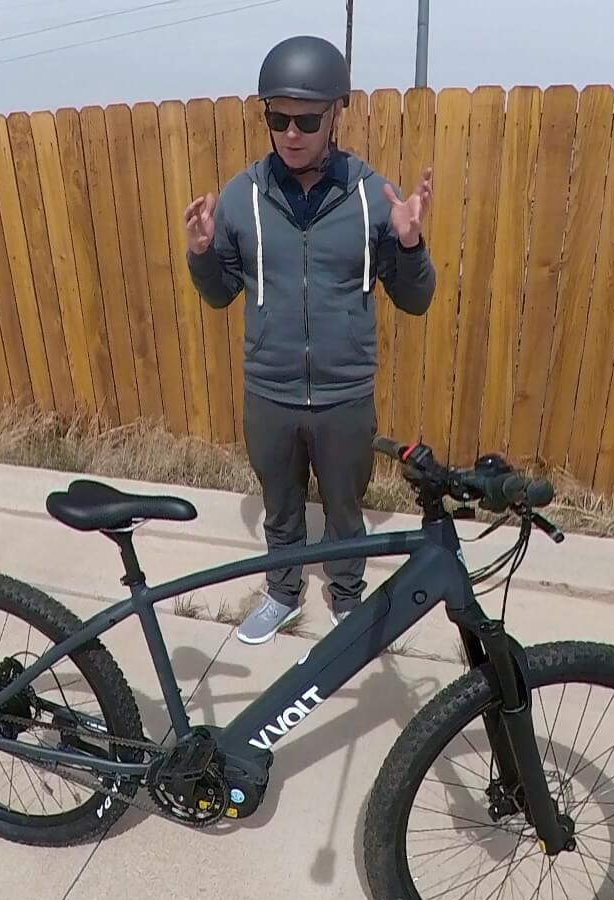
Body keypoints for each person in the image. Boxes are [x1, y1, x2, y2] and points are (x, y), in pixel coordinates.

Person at [184, 35, 435, 645]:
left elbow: (416, 299)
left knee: (345, 508)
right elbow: (220, 294)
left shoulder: (371, 196)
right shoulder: (242, 196)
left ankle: (347, 598)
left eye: (307, 120)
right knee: (281, 506)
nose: (292, 133)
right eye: (279, 119)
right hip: (270, 390)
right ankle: (282, 593)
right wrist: (202, 255)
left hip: (344, 393)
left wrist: (409, 244)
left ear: (335, 116)